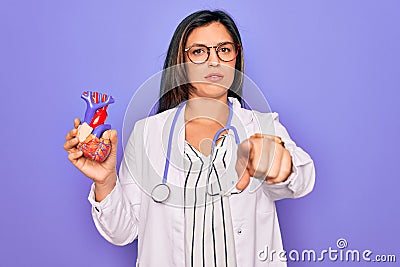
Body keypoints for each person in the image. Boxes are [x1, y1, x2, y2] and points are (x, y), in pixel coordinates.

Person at [64, 10, 315, 267]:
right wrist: (106, 180)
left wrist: (281, 165)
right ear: (180, 64)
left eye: (224, 50)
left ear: (236, 57)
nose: (214, 61)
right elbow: (123, 231)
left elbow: (303, 179)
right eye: (198, 52)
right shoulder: (147, 134)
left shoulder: (261, 126)